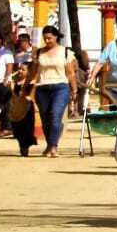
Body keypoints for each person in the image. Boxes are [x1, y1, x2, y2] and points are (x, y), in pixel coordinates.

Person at [27, 26, 76, 158]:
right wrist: (26, 85)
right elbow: (33, 71)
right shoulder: (39, 52)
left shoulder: (65, 52)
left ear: (56, 37)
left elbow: (71, 73)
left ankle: (53, 146)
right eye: (45, 39)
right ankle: (49, 144)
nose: (47, 41)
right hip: (42, 88)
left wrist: (74, 90)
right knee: (45, 119)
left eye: (49, 38)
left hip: (61, 87)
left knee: (55, 115)